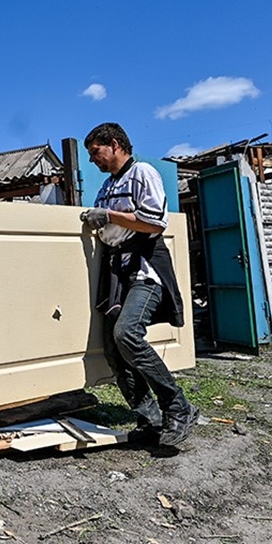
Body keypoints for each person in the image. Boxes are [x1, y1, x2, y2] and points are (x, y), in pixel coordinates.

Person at [80, 122, 198, 448]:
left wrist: (109, 216)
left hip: (145, 269)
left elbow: (154, 222)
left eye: (96, 152)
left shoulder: (143, 173)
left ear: (115, 144)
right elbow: (108, 229)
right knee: (113, 349)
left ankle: (178, 406)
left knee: (127, 334)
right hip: (117, 272)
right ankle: (150, 418)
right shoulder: (107, 186)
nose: (92, 159)